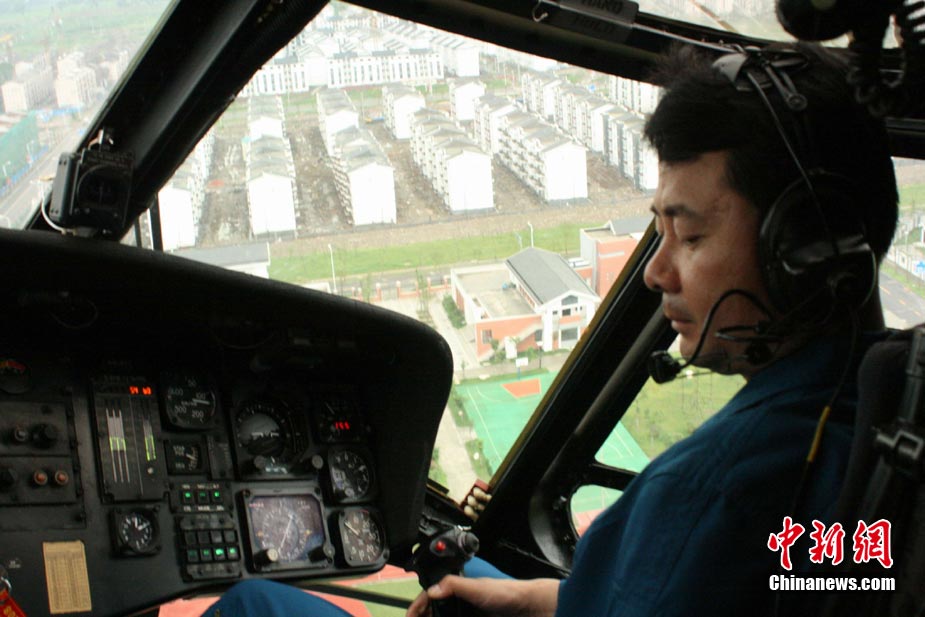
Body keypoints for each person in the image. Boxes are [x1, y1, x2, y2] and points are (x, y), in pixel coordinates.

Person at [202, 40, 899, 617]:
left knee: (253, 603)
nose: (656, 273)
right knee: (468, 570)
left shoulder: (716, 491)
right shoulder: (888, 408)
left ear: (803, 250)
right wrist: (530, 600)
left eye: (687, 235)